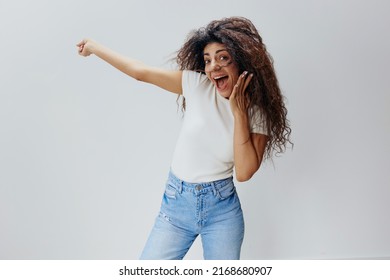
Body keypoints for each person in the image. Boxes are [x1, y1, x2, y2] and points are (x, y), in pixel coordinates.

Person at [77, 16, 291, 260]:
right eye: (208, 60)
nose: (212, 67)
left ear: (241, 62)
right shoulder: (197, 84)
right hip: (176, 207)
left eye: (223, 58)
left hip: (222, 212)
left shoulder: (256, 113)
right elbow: (140, 72)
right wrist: (94, 47)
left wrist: (239, 112)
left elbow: (243, 172)